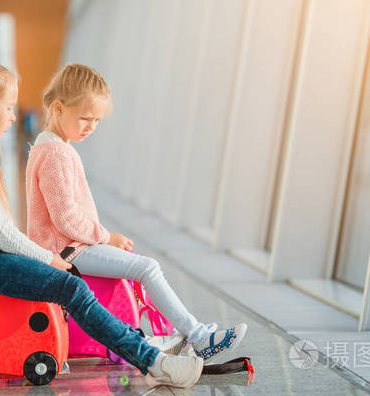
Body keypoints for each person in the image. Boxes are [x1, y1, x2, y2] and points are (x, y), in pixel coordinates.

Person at [0, 57, 203, 388]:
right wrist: (49, 258)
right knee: (71, 287)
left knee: (68, 286)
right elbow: (0, 232)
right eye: (8, 107)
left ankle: (151, 355)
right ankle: (154, 361)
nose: (13, 116)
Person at [26, 63, 247, 364]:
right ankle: (198, 337)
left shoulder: (51, 147)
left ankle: (176, 335)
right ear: (58, 107)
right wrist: (107, 237)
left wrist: (104, 239)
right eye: (85, 118)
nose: (90, 126)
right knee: (147, 268)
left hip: (68, 246)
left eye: (97, 120)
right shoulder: (55, 153)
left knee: (141, 268)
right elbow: (64, 219)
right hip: (65, 251)